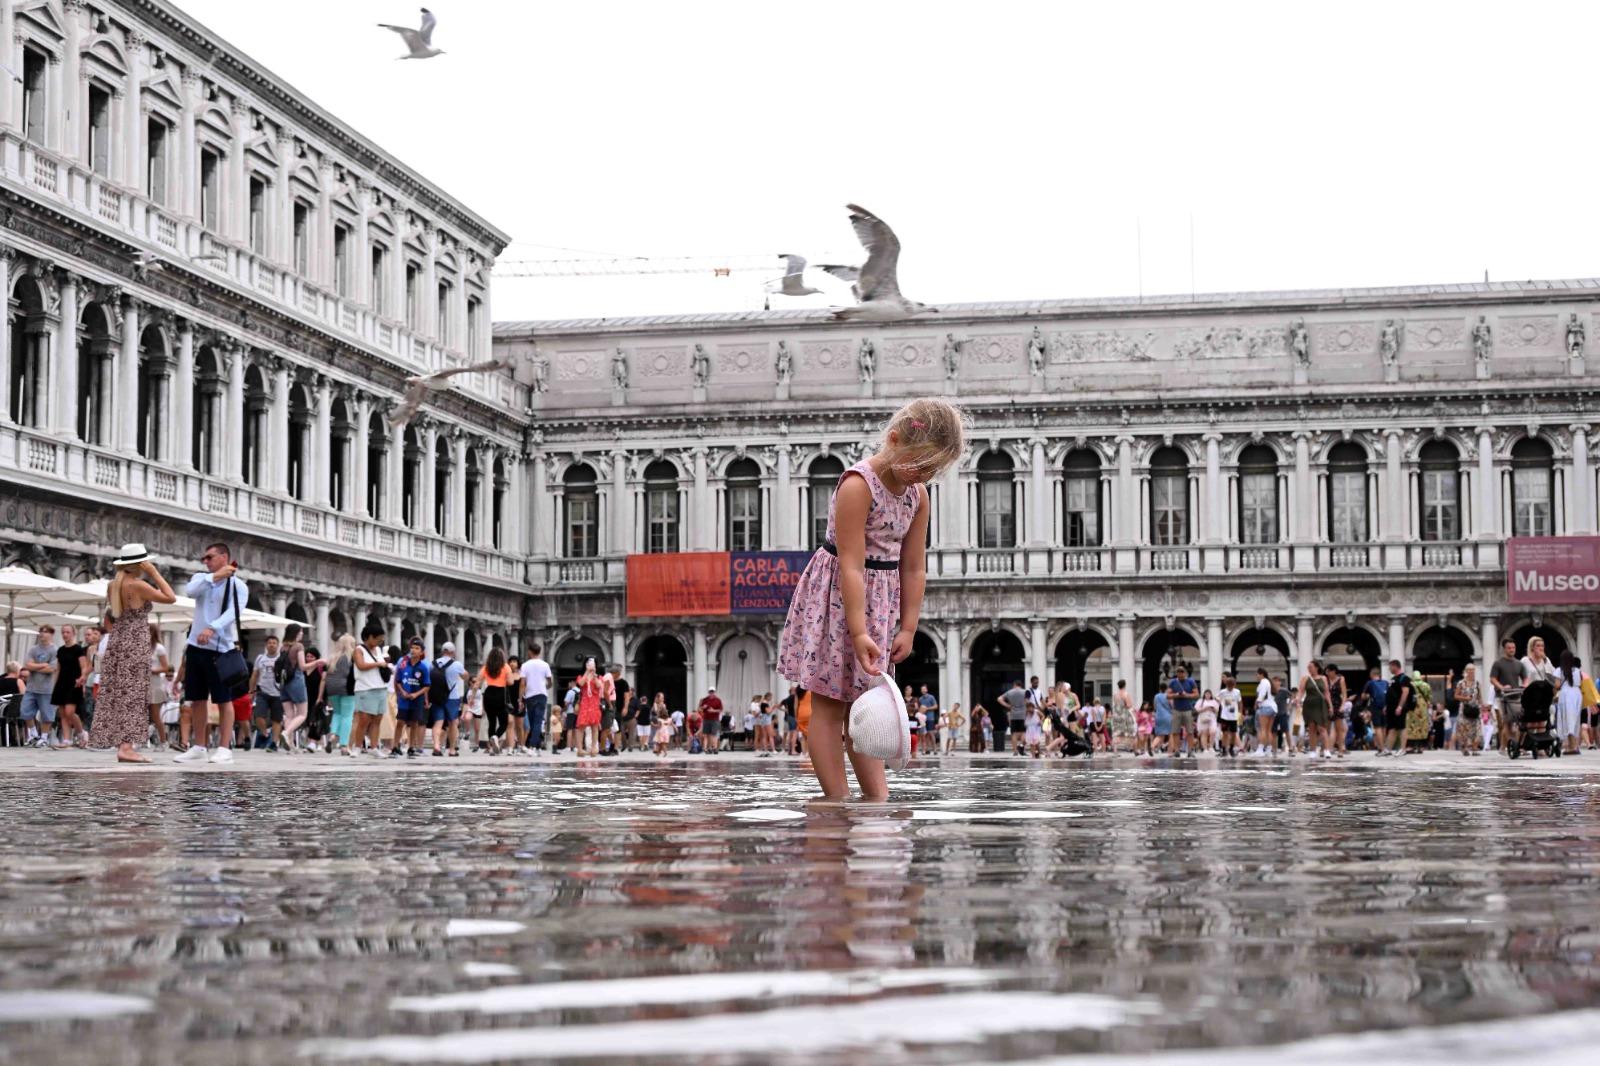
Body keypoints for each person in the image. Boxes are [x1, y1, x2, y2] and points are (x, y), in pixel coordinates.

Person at [776, 398, 963, 801]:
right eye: (921, 464)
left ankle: (876, 796)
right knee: (829, 704)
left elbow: (913, 566)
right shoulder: (858, 486)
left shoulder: (917, 496)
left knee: (869, 704)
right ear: (893, 441)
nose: (925, 475)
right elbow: (851, 566)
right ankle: (836, 797)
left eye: (933, 470)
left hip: (879, 600)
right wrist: (858, 630)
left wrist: (909, 625)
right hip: (837, 597)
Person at [87, 546, 178, 762]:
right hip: (135, 640)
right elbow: (170, 597)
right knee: (133, 694)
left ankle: (123, 744)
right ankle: (126, 747)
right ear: (139, 564)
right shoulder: (138, 585)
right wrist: (155, 573)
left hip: (118, 638)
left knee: (118, 692)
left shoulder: (113, 585)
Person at [175, 542, 249, 764]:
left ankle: (225, 748)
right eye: (204, 559)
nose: (205, 562)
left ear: (224, 557)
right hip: (196, 647)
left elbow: (233, 613)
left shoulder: (239, 586)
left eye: (210, 557)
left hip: (221, 648)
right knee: (196, 698)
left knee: (223, 700)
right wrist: (214, 577)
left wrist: (213, 627)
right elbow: (190, 591)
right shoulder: (201, 580)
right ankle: (199, 746)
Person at [278, 623, 322, 752]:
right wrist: (319, 661)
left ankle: (290, 745)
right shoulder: (299, 646)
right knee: (302, 714)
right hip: (296, 680)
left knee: (289, 715)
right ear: (296, 633)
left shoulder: (283, 647)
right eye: (301, 631)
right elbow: (303, 666)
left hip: (284, 682)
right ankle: (286, 734)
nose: (302, 634)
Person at [350, 624, 390, 755]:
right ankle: (357, 747)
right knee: (364, 719)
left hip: (380, 687)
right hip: (365, 688)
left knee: (377, 719)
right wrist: (378, 664)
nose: (380, 642)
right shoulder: (358, 650)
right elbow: (361, 665)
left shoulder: (378, 650)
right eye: (378, 639)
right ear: (369, 637)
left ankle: (374, 747)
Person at [51, 624, 90, 749]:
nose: (65, 635)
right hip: (61, 683)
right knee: (62, 713)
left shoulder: (78, 649)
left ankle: (81, 732)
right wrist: (55, 685)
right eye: (63, 632)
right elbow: (58, 669)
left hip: (74, 683)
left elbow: (83, 666)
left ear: (73, 633)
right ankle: (67, 739)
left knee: (70, 712)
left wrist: (82, 679)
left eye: (67, 632)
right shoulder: (60, 650)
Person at [20, 624, 59, 748]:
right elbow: (27, 665)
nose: (42, 634)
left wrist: (34, 666)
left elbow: (52, 668)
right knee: (25, 711)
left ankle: (44, 737)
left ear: (51, 634)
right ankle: (33, 734)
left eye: (46, 632)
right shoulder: (33, 649)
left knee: (47, 715)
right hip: (31, 687)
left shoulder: (54, 650)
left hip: (47, 688)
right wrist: (43, 665)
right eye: (41, 632)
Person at [250, 635, 286, 751]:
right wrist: (251, 690)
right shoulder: (260, 658)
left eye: (274, 643)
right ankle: (265, 733)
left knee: (277, 719)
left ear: (278, 645)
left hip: (278, 693)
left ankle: (274, 743)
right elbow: (255, 675)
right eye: (269, 643)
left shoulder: (281, 658)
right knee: (258, 716)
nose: (272, 645)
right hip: (262, 692)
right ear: (266, 645)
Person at [323, 634, 357, 755]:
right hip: (347, 688)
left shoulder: (332, 657)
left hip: (331, 688)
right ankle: (343, 745)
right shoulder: (352, 656)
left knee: (337, 713)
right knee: (347, 716)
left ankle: (332, 736)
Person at [1489, 638, 1524, 752]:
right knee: (1507, 722)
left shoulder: (1519, 663)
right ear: (1504, 649)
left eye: (1513, 648)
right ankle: (1509, 747)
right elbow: (1492, 679)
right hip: (1503, 697)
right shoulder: (1498, 663)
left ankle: (1506, 746)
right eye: (1509, 648)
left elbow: (1526, 677)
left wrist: (1525, 685)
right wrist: (1502, 687)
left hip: (1517, 696)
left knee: (1519, 722)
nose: (1511, 650)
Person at [518, 644, 553, 755]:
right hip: (542, 694)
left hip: (530, 695)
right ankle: (537, 746)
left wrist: (520, 698)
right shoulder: (545, 665)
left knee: (534, 722)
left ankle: (532, 746)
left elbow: (523, 683)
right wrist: (546, 686)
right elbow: (550, 681)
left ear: (530, 652)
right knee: (537, 721)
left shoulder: (525, 665)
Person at [477, 647, 512, 755]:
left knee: (491, 722)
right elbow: (511, 682)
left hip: (488, 693)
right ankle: (496, 737)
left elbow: (477, 682)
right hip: (500, 694)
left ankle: (492, 747)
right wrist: (504, 678)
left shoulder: (486, 667)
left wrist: (472, 696)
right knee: (504, 722)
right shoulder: (506, 667)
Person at [146, 622, 174, 751]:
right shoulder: (142, 647)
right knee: (141, 713)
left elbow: (166, 667)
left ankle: (163, 741)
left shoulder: (159, 648)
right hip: (144, 684)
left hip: (156, 685)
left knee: (155, 715)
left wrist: (151, 670)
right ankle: (142, 740)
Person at [1378, 659, 1414, 756]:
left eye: (1390, 667)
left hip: (1399, 708)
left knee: (1401, 727)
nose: (1389, 669)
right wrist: (1387, 706)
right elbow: (1391, 693)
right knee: (1392, 728)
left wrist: (1400, 706)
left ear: (1395, 666)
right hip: (1391, 708)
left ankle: (1403, 749)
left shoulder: (1404, 678)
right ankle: (1388, 749)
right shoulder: (1394, 679)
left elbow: (1405, 692)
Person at [1297, 660, 1331, 759]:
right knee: (1311, 728)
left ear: (1317, 667)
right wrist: (1298, 700)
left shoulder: (1323, 678)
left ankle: (1326, 750)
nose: (1309, 668)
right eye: (1308, 667)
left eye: (1311, 666)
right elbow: (1301, 691)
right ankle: (1313, 750)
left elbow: (1326, 693)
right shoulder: (1305, 678)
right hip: (1309, 704)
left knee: (1322, 728)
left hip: (1320, 704)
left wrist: (1330, 706)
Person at [1556, 652, 1585, 754]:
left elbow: (1557, 685)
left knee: (1567, 720)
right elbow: (1581, 684)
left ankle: (1571, 746)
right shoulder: (1578, 670)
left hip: (1566, 694)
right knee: (1575, 719)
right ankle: (1574, 745)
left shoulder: (1559, 670)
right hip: (1577, 694)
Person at [1166, 665, 1198, 759]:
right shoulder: (1173, 682)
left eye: (1182, 672)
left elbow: (1196, 694)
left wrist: (1186, 695)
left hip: (1188, 709)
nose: (1181, 675)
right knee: (1175, 731)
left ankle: (1190, 751)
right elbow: (1168, 695)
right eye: (1179, 673)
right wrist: (1176, 695)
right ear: (1177, 674)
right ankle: (1176, 750)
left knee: (1190, 731)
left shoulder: (1191, 681)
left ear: (1185, 673)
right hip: (1176, 710)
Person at [574, 656, 603, 756]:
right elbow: (581, 683)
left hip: (594, 703)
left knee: (594, 726)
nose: (591, 665)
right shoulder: (581, 676)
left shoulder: (598, 677)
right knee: (581, 726)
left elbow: (599, 686)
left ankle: (594, 748)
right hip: (585, 703)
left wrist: (593, 675)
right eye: (589, 663)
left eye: (592, 663)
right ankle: (580, 749)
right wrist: (587, 672)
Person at [1454, 665, 1483, 757]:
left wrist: (1482, 707)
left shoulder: (1477, 683)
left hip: (1475, 708)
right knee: (1464, 729)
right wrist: (1465, 698)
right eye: (1469, 670)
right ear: (1466, 671)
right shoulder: (1461, 683)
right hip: (1464, 709)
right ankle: (1465, 748)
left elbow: (1479, 697)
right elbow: (1456, 696)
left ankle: (1475, 748)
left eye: (1473, 670)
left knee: (1476, 728)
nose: (1471, 671)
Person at [1253, 668, 1277, 756]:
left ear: (1261, 674)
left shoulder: (1263, 682)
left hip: (1265, 707)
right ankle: (1268, 750)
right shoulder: (1269, 682)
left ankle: (1260, 749)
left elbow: (1262, 694)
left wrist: (1256, 703)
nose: (1256, 676)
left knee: (1262, 729)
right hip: (1272, 707)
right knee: (1268, 730)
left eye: (1257, 674)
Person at [1216, 675, 1242, 757]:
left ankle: (1231, 748)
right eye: (1228, 686)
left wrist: (1240, 712)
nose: (1230, 688)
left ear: (1234, 685)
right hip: (1225, 716)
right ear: (1226, 685)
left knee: (1234, 733)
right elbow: (1216, 697)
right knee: (1225, 733)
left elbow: (1239, 702)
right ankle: (1224, 749)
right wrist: (1221, 703)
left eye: (1231, 686)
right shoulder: (1223, 692)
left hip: (1233, 716)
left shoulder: (1237, 692)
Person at [1002, 679, 1028, 755]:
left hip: (1013, 715)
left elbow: (999, 699)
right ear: (1021, 685)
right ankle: (1021, 747)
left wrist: (1008, 705)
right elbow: (1028, 702)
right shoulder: (1025, 692)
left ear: (1014, 684)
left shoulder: (1009, 692)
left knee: (1014, 733)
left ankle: (1015, 751)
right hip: (1023, 715)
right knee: (1023, 733)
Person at [698, 686, 723, 757]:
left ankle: (714, 748)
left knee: (713, 734)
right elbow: (699, 709)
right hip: (706, 718)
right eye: (710, 691)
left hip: (715, 719)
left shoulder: (718, 700)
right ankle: (708, 748)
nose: (711, 693)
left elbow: (720, 710)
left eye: (712, 691)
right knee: (706, 734)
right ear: (708, 692)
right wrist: (703, 707)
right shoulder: (705, 700)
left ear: (714, 692)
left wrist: (713, 711)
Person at [1195, 688, 1220, 755]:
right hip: (1203, 717)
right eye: (1206, 694)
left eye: (1209, 694)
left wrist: (1213, 708)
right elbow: (1197, 709)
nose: (1208, 695)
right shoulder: (1201, 701)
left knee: (1213, 731)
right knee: (1204, 733)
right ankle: (1205, 748)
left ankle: (1211, 746)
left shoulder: (1214, 701)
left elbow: (1217, 710)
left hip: (1212, 718)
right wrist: (1205, 708)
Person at [1152, 685, 1173, 754]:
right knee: (1171, 734)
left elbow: (1155, 707)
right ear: (1166, 689)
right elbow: (1172, 705)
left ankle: (1152, 746)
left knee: (1160, 735)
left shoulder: (1156, 696)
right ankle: (1170, 752)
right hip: (1168, 716)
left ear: (1160, 689)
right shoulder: (1168, 696)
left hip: (1158, 716)